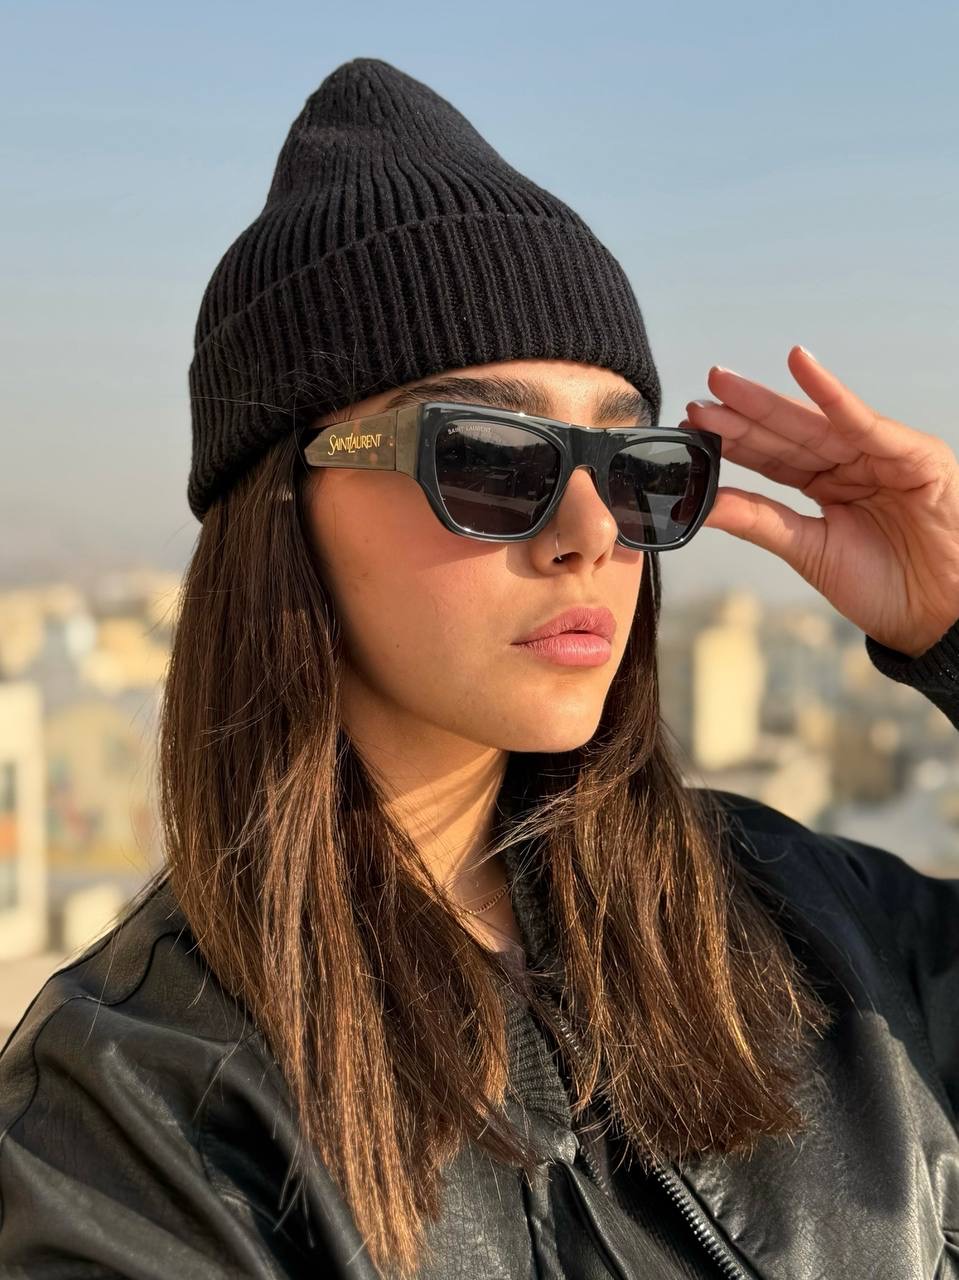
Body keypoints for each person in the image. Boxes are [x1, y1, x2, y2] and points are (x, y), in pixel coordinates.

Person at [1, 55, 958, 1280]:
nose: (591, 530)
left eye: (633, 465)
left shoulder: (825, 941)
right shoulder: (132, 1115)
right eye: (494, 457)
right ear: (284, 502)